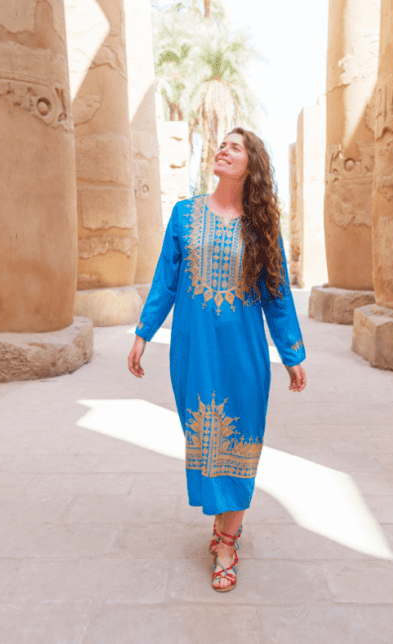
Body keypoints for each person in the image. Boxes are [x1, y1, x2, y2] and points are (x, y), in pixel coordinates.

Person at [127, 127, 307, 592]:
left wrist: (291, 353)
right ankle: (223, 522)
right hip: (194, 349)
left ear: (251, 165)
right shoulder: (185, 214)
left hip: (244, 352)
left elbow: (278, 293)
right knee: (204, 434)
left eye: (235, 147)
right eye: (222, 145)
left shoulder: (261, 225)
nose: (223, 150)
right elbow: (166, 279)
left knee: (243, 437)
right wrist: (143, 333)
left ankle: (228, 540)